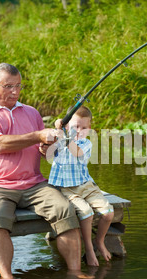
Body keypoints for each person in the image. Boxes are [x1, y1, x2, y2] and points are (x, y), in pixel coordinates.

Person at [0, 63, 85, 279]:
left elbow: (42, 149)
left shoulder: (31, 112)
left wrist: (49, 145)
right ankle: (7, 277)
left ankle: (75, 272)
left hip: (34, 184)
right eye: (8, 86)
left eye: (18, 86)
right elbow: (0, 144)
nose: (15, 91)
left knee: (65, 209)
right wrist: (38, 135)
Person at [48, 106, 114, 266]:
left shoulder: (85, 144)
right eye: (76, 126)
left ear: (89, 130)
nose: (79, 131)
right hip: (66, 189)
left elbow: (75, 152)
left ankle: (99, 241)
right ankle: (89, 249)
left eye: (84, 128)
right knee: (86, 213)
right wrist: (57, 128)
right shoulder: (60, 139)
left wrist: (64, 133)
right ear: (68, 125)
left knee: (108, 213)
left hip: (86, 185)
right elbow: (48, 147)